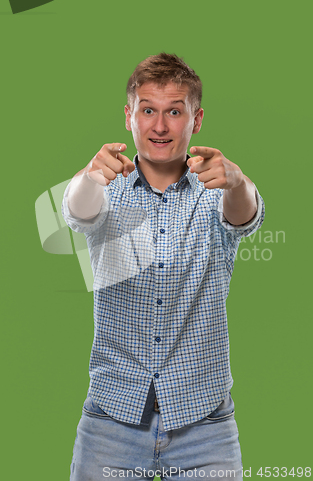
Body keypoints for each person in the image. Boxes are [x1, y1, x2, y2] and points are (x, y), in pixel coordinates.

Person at [62, 53, 265, 481]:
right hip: (111, 419)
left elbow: (245, 216)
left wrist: (238, 180)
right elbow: (78, 213)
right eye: (148, 110)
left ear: (196, 119)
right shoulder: (106, 188)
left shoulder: (217, 190)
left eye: (174, 111)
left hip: (204, 423)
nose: (159, 126)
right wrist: (88, 177)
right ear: (129, 116)